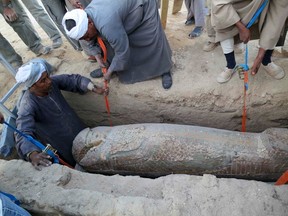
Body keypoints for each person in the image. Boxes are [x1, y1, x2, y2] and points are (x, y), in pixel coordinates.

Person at [14, 58, 108, 170]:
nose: (49, 81)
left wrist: (93, 87)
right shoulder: (28, 105)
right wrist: (32, 154)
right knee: (80, 163)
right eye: (43, 81)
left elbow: (73, 80)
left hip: (80, 130)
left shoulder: (50, 84)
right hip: (63, 144)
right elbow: (23, 132)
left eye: (47, 76)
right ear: (32, 86)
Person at [62, 0, 173, 90]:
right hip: (122, 12)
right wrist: (99, 59)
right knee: (109, 39)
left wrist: (109, 73)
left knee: (151, 38)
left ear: (90, 23)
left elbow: (122, 52)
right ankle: (110, 66)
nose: (87, 39)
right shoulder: (86, 17)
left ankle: (164, 69)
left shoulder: (106, 24)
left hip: (142, 5)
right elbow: (90, 39)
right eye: (83, 38)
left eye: (86, 35)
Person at [211, 0, 288, 83]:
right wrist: (241, 28)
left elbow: (276, 20)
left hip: (263, 5)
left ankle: (266, 61)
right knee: (223, 23)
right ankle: (230, 65)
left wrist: (260, 56)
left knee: (276, 25)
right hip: (233, 5)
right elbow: (218, 4)